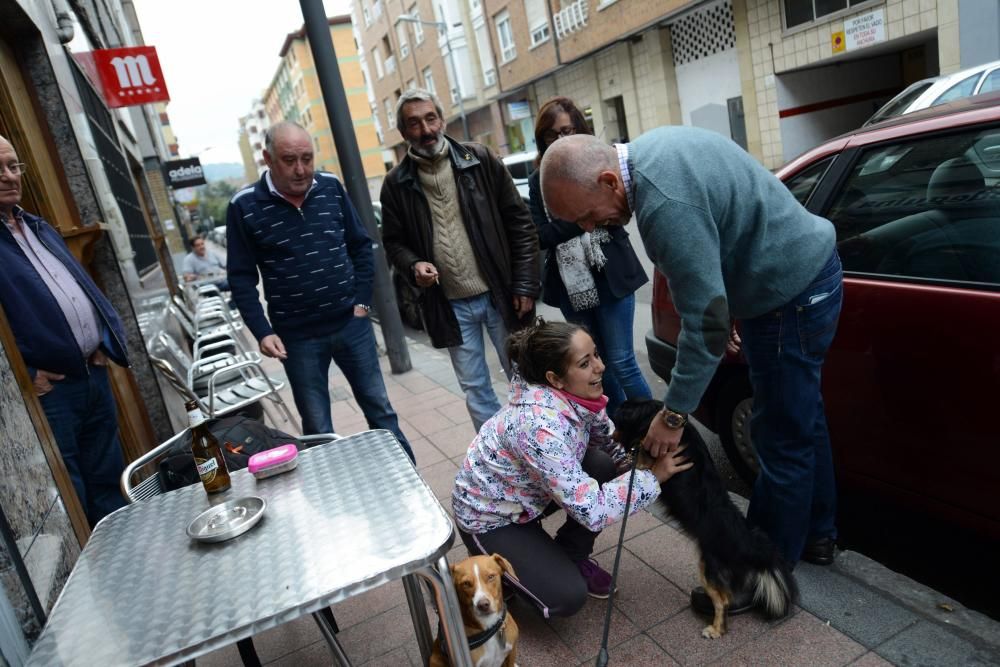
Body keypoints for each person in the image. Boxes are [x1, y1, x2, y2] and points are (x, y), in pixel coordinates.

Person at [539, 129, 843, 588]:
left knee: (780, 438)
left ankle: (761, 574)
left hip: (790, 293)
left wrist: (674, 414)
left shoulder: (663, 204)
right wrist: (733, 308)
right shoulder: (653, 152)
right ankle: (817, 534)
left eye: (585, 216)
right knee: (801, 421)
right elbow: (723, 245)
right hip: (792, 283)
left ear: (608, 181)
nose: (588, 227)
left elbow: (704, 325)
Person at [453, 319, 691, 617]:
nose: (600, 366)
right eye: (585, 362)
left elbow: (607, 440)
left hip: (528, 496)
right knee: (567, 596)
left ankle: (569, 554)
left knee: (601, 464)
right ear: (555, 379)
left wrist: (634, 465)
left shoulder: (580, 396)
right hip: (490, 516)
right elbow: (591, 510)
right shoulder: (538, 427)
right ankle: (497, 567)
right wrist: (651, 478)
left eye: (596, 355)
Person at [226, 121, 413, 460]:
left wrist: (361, 301)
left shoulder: (329, 186)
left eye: (307, 158)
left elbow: (360, 246)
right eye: (289, 160)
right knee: (318, 429)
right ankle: (331, 504)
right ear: (267, 158)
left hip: (351, 325)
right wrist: (262, 331)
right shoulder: (244, 205)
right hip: (297, 340)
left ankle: (411, 483)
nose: (301, 169)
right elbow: (240, 277)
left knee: (381, 411)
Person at [381, 88, 541, 432]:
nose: (425, 130)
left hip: (500, 294)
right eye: (414, 123)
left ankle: (539, 445)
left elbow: (520, 222)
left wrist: (526, 283)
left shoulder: (480, 160)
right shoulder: (395, 184)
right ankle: (500, 462)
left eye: (430, 118)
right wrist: (412, 265)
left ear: (442, 119)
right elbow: (393, 242)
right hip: (448, 304)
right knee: (476, 391)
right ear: (402, 132)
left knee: (526, 379)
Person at [0, 135, 128, 525]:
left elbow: (79, 288)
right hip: (50, 390)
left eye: (13, 166)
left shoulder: (36, 226)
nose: (9, 177)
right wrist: (26, 374)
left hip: (91, 373)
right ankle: (97, 577)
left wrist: (101, 341)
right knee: (72, 494)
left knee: (109, 479)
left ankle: (130, 557)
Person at [528, 97, 651, 418]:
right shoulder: (538, 179)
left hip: (612, 275)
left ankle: (654, 427)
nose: (560, 139)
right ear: (542, 139)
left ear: (580, 130)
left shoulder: (599, 163)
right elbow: (541, 235)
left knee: (622, 361)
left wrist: (568, 217)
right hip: (570, 287)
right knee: (596, 368)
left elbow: (614, 216)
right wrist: (585, 212)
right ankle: (623, 430)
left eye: (567, 131)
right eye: (551, 135)